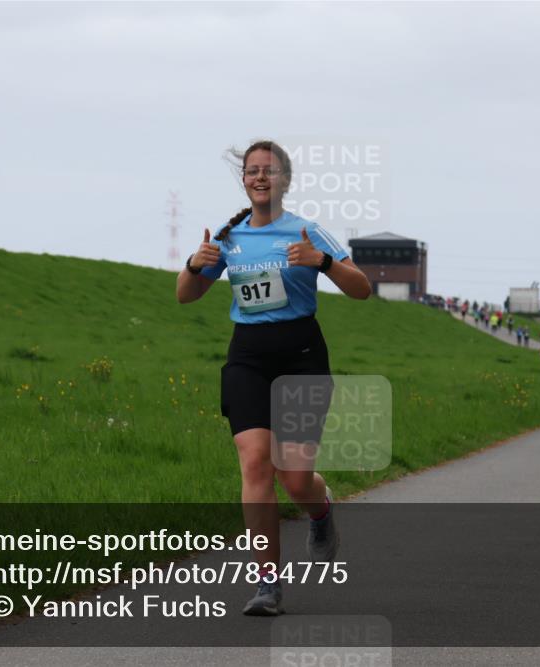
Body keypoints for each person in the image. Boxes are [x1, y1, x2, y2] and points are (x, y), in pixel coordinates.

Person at [176, 140, 371, 615]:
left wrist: (322, 262)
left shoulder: (307, 232)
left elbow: (362, 289)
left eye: (270, 170)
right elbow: (185, 294)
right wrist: (194, 264)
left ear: (285, 179)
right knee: (255, 463)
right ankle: (268, 585)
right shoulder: (229, 237)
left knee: (295, 479)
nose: (261, 177)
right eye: (252, 170)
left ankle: (320, 511)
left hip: (301, 357)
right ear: (244, 179)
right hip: (248, 357)